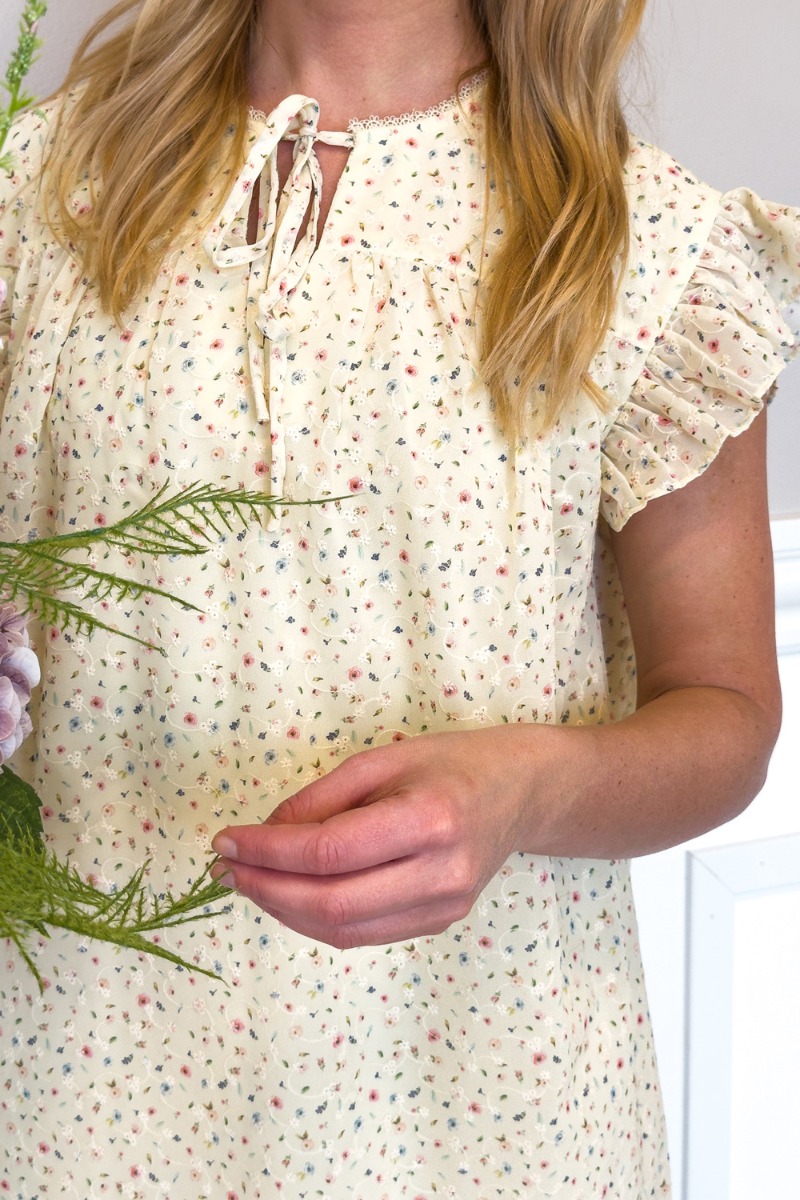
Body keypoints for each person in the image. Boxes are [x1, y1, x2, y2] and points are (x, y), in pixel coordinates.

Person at [1, 0, 797, 1194]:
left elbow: (724, 712)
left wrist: (521, 790)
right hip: (72, 1086)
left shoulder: (643, 248)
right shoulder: (40, 188)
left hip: (483, 1107)